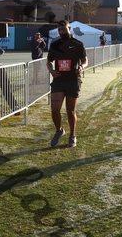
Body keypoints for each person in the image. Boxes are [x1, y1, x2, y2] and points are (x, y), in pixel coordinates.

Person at [47, 20, 87, 148]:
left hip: (73, 80)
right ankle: (59, 130)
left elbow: (85, 60)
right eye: (59, 30)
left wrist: (82, 67)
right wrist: (52, 70)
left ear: (69, 28)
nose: (61, 32)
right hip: (58, 80)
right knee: (55, 110)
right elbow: (49, 61)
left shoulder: (78, 44)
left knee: (70, 111)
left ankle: (72, 135)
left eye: (63, 29)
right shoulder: (55, 44)